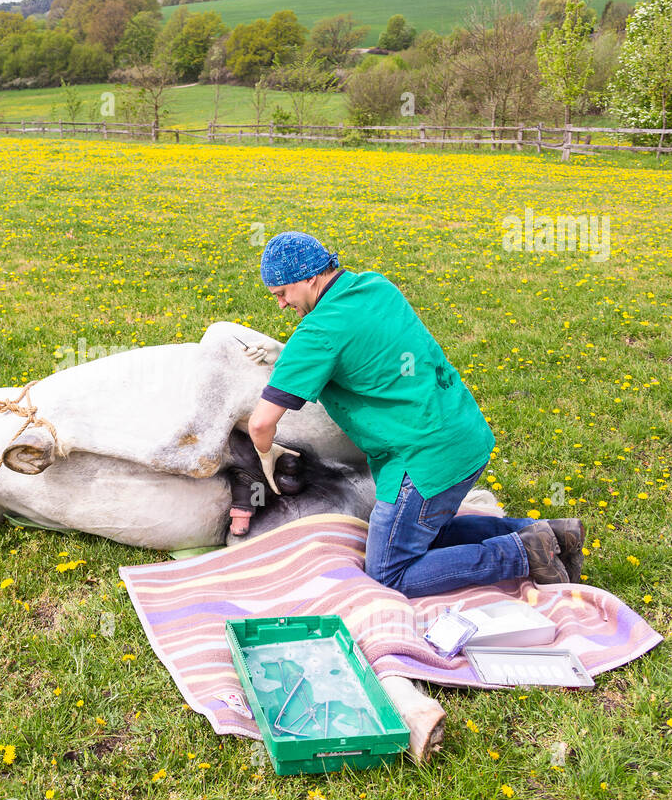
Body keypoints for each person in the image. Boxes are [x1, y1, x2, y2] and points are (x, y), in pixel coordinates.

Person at [246, 231, 584, 599]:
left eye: (282, 293)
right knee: (427, 533)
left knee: (389, 574)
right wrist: (287, 355)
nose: (280, 304)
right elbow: (365, 350)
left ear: (310, 277)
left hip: (423, 464)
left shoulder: (318, 333)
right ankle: (554, 533)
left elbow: (261, 423)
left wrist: (268, 453)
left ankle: (522, 553)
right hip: (466, 439)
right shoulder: (376, 286)